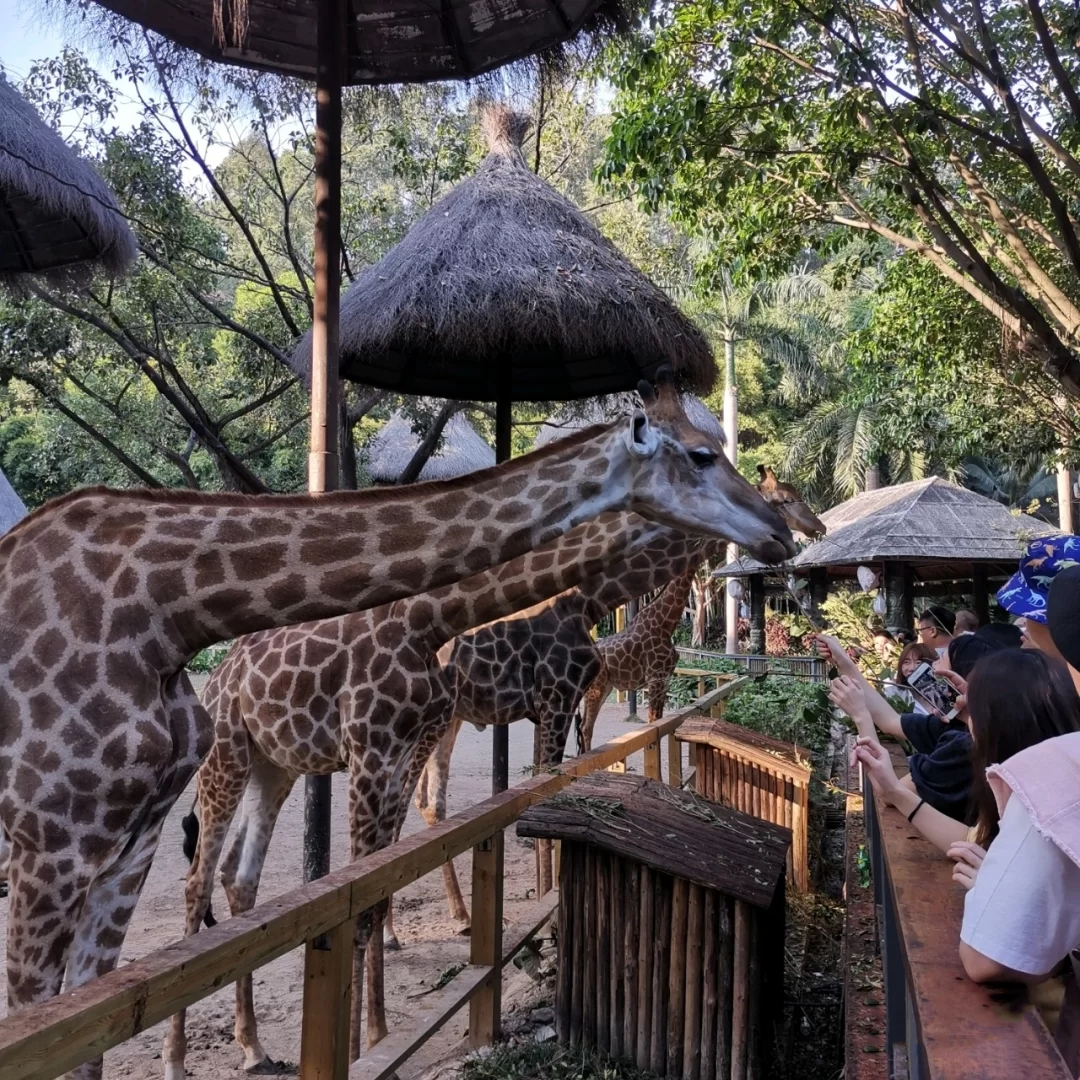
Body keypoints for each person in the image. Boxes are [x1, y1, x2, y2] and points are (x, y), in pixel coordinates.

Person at [954, 565, 1080, 1072]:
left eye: (1032, 627)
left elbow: (987, 958)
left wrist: (994, 884)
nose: (1023, 637)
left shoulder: (1058, 770)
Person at [852, 649, 1080, 856]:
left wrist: (861, 717)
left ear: (999, 720)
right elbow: (977, 841)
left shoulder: (966, 750)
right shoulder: (1050, 771)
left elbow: (986, 849)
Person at [825, 626, 1021, 823]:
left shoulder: (962, 744)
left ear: (959, 681)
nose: (930, 670)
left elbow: (890, 792)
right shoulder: (957, 723)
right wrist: (843, 661)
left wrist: (861, 716)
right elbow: (890, 721)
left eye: (938, 665)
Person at [887, 641, 939, 714]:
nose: (912, 668)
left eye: (918, 663)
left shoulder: (943, 689)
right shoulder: (893, 693)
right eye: (906, 662)